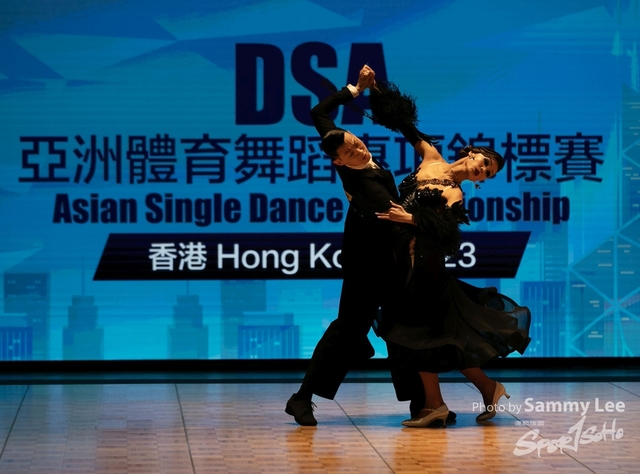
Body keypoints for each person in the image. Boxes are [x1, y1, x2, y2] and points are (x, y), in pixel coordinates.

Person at [285, 66, 457, 426]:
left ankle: (422, 404)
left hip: (389, 259)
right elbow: (396, 218)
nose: (359, 151)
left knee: (402, 330)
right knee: (349, 329)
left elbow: (318, 112)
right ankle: (302, 398)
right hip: (368, 264)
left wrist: (357, 89)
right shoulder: (368, 187)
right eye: (350, 153)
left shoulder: (339, 142)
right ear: (339, 162)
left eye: (356, 143)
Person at [370, 80, 531, 427]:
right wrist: (376, 89)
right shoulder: (431, 157)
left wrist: (410, 218)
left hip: (424, 268)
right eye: (484, 162)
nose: (482, 170)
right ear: (471, 152)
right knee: (437, 337)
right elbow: (403, 123)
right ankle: (482, 390)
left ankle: (437, 405)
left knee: (421, 335)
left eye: (487, 173)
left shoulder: (455, 195)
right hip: (403, 262)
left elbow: (447, 236)